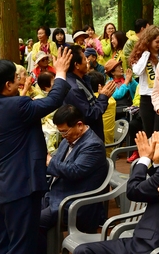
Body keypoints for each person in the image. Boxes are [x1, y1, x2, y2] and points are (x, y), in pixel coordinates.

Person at [0, 48, 72, 254]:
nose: (20, 81)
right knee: (22, 246)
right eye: (16, 78)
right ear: (8, 85)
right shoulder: (19, 106)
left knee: (1, 243)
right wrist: (60, 72)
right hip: (19, 189)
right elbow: (53, 100)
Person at [74, 112, 159, 254]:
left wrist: (145, 159)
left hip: (151, 244)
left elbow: (133, 191)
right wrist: (158, 163)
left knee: (83, 251)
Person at [38, 105, 109, 252]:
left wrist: (50, 161)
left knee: (31, 222)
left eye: (65, 131)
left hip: (74, 203)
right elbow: (58, 162)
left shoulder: (93, 145)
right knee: (21, 211)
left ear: (79, 125)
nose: (63, 135)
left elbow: (74, 171)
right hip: (55, 194)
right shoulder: (69, 138)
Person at [64, 45, 116, 142]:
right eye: (84, 59)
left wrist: (100, 97)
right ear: (77, 65)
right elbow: (89, 115)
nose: (87, 61)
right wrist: (103, 97)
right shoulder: (74, 88)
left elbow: (89, 106)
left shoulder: (81, 80)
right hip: (87, 141)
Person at [130, 25, 159, 136]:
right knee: (149, 131)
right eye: (156, 42)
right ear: (149, 41)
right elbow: (137, 71)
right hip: (146, 97)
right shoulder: (140, 55)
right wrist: (146, 54)